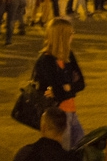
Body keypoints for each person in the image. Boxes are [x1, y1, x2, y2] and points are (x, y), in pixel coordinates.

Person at [33, 18, 87, 148]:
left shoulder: (68, 56)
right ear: (61, 36)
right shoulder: (46, 61)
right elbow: (59, 92)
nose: (73, 36)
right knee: (64, 152)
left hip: (71, 111)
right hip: (57, 116)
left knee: (82, 148)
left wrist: (67, 88)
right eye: (70, 33)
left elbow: (82, 83)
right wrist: (66, 89)